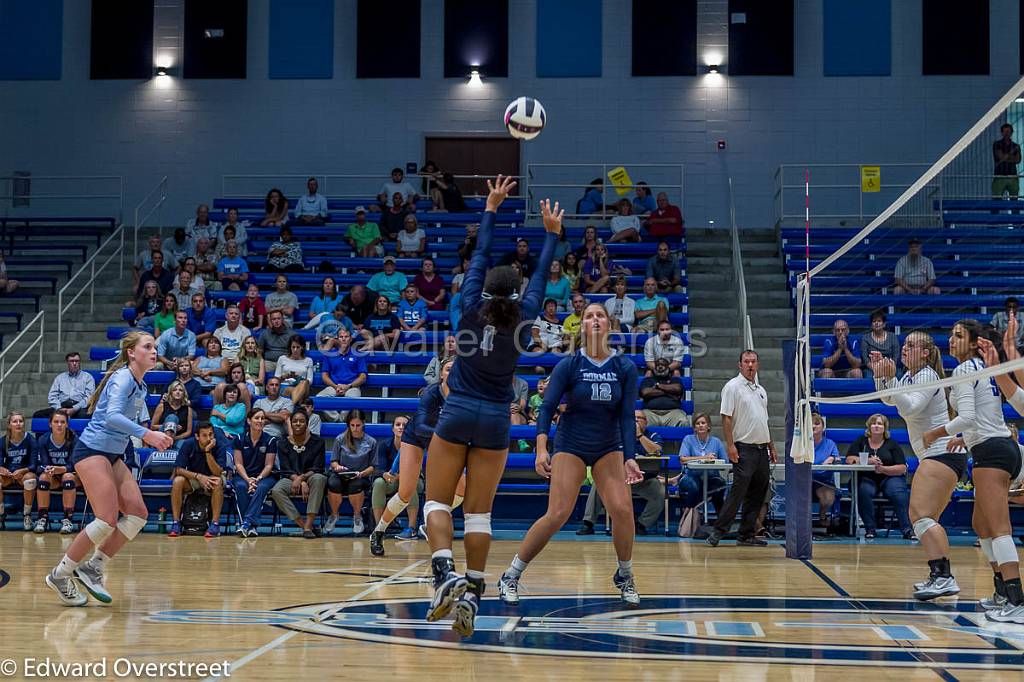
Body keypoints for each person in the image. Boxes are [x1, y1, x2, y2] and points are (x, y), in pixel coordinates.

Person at [423, 180, 559, 638]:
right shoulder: (524, 320)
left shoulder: (466, 308)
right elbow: (539, 279)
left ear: (484, 290)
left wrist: (491, 210)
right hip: (497, 419)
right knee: (478, 515)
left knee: (437, 503)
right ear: (517, 292)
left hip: (458, 408)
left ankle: (444, 575)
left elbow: (477, 258)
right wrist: (552, 234)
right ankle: (475, 595)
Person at [498, 302, 641, 608]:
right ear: (582, 326)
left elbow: (628, 416)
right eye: (589, 316)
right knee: (558, 513)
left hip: (608, 445)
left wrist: (630, 456)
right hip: (571, 443)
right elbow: (546, 408)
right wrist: (540, 447)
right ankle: (511, 574)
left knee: (623, 510)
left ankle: (625, 574)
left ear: (610, 324)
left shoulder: (625, 368)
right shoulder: (570, 364)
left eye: (600, 315)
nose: (595, 319)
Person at [45, 332, 174, 607]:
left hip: (113, 454)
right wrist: (148, 435)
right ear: (131, 352)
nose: (154, 352)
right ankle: (61, 573)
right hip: (91, 451)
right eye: (148, 347)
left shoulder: (140, 386)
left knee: (138, 515)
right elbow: (112, 417)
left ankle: (93, 567)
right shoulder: (123, 378)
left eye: (156, 348)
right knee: (106, 519)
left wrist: (155, 432)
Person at [925, 320, 1024, 622]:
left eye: (957, 336)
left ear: (973, 343)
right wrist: (962, 438)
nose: (950, 340)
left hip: (993, 451)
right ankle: (1001, 592)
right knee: (981, 525)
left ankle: (1017, 600)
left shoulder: (965, 370)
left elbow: (968, 418)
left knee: (999, 528)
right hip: (994, 446)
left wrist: (936, 433)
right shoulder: (982, 369)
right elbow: (981, 416)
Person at [870, 331, 966, 598]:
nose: (904, 349)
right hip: (939, 455)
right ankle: (941, 575)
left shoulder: (926, 375)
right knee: (927, 518)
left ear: (925, 353)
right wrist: (882, 375)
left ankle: (944, 576)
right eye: (905, 345)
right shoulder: (910, 377)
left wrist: (890, 380)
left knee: (919, 515)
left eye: (911, 346)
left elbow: (909, 408)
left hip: (940, 453)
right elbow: (889, 399)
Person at [370, 359, 465, 555]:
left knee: (462, 488)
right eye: (448, 369)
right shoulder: (432, 393)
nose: (452, 372)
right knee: (405, 493)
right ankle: (378, 531)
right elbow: (421, 425)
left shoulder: (463, 396)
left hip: (441, 442)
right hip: (416, 438)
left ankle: (430, 522)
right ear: (441, 375)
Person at [706, 350, 777, 547]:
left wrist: (772, 446)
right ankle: (718, 531)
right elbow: (726, 417)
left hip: (762, 449)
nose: (750, 365)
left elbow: (765, 421)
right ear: (740, 365)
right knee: (738, 491)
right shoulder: (732, 387)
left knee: (758, 492)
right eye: (746, 361)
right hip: (743, 448)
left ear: (758, 364)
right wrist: (730, 445)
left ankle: (746, 534)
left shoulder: (761, 390)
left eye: (753, 361)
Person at [576, 409, 663, 537]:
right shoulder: (619, 435)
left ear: (646, 422)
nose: (636, 421)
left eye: (640, 418)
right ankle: (588, 523)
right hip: (618, 478)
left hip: (643, 479)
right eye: (634, 418)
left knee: (660, 491)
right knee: (598, 485)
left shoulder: (653, 435)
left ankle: (641, 525)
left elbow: (657, 451)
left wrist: (639, 435)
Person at [270, 410, 327, 538]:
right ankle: (305, 526)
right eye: (295, 421)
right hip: (291, 478)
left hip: (311, 476)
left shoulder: (318, 442)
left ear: (307, 424)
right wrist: (298, 480)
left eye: (301, 421)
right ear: (290, 423)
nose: (298, 424)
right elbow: (285, 469)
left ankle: (309, 524)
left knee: (319, 479)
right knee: (276, 490)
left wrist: (302, 479)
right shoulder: (283, 443)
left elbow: (318, 467)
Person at [167, 422, 226, 538]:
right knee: (178, 481)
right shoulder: (188, 444)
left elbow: (218, 472)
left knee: (218, 482)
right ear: (197, 436)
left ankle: (215, 524)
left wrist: (208, 452)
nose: (209, 438)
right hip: (194, 477)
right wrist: (199, 477)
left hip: (213, 477)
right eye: (204, 435)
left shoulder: (219, 445)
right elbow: (178, 469)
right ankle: (176, 523)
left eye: (211, 434)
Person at [370, 416, 423, 539]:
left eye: (404, 425)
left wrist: (400, 476)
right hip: (392, 480)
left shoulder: (416, 445)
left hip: (413, 478)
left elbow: (417, 469)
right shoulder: (384, 445)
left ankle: (411, 528)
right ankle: (379, 529)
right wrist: (385, 475)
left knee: (411, 484)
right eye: (398, 424)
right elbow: (380, 469)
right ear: (393, 429)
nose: (401, 427)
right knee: (378, 483)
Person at [667, 412, 727, 519]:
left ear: (708, 426)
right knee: (695, 486)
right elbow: (682, 459)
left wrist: (715, 461)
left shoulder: (716, 442)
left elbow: (725, 462)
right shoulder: (688, 439)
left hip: (711, 477)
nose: (700, 425)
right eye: (697, 423)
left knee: (720, 484)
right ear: (694, 427)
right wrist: (704, 458)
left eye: (703, 423)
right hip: (690, 476)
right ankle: (690, 519)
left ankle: (721, 521)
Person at [325, 410, 376, 535]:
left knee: (355, 486)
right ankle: (334, 514)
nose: (355, 428)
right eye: (352, 425)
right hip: (341, 475)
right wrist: (338, 467)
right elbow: (333, 461)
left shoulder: (371, 442)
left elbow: (373, 466)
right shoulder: (340, 439)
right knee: (332, 483)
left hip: (360, 476)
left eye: (358, 425)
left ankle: (357, 517)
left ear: (363, 424)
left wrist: (363, 473)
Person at [231, 407, 278, 537]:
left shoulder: (270, 440)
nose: (260, 420)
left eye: (262, 418)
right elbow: (238, 463)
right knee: (240, 486)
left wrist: (257, 479)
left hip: (264, 476)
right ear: (249, 421)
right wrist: (248, 480)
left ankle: (245, 523)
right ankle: (251, 526)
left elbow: (269, 465)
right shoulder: (239, 439)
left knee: (261, 487)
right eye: (257, 418)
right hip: (243, 476)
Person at [34, 411, 79, 534]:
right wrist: (47, 469)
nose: (59, 425)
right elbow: (39, 466)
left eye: (62, 422)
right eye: (56, 422)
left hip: (71, 475)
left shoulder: (74, 439)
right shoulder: (43, 440)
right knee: (43, 477)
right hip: (52, 477)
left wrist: (61, 469)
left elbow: (75, 465)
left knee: (68, 477)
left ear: (67, 425)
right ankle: (42, 518)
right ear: (50, 424)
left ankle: (68, 519)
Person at [317, 329, 367, 421]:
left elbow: (363, 377)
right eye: (341, 337)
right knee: (319, 398)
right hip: (334, 386)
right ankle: (337, 420)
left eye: (346, 337)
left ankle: (342, 420)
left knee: (354, 398)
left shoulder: (358, 354)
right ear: (337, 339)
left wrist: (348, 386)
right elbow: (324, 376)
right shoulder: (329, 354)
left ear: (351, 339)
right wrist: (335, 386)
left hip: (352, 387)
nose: (343, 339)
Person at [1, 412, 37, 531]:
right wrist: (2, 469)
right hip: (9, 475)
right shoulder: (3, 441)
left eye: (20, 421)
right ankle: (1, 513)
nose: (18, 424)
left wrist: (22, 470)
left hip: (24, 474)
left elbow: (34, 465)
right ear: (9, 424)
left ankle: (26, 515)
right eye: (15, 421)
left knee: (30, 479)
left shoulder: (30, 440)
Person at [34, 352, 95, 419]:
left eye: (77, 361)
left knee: (86, 415)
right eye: (72, 361)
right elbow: (52, 396)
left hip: (79, 407)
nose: (74, 363)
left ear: (80, 362)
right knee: (38, 415)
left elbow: (89, 397)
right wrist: (59, 408)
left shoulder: (88, 377)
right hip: (61, 406)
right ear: (67, 363)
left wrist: (74, 409)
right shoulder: (60, 378)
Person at [809, 414, 841, 531]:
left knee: (828, 498)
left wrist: (832, 458)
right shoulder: (802, 443)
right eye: (810, 424)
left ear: (823, 427)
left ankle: (822, 514)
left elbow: (837, 459)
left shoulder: (830, 444)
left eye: (817, 424)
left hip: (824, 480)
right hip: (805, 479)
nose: (813, 426)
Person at [640, 358, 688, 426]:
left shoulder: (675, 380)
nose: (660, 366)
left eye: (663, 365)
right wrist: (670, 392)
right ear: (654, 368)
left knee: (683, 421)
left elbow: (678, 389)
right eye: (658, 365)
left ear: (668, 367)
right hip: (650, 413)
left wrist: (657, 386)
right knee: (640, 422)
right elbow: (645, 393)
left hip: (673, 413)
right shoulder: (648, 380)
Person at [859, 310, 900, 378]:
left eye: (879, 321)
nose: (876, 323)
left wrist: (887, 368)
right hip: (872, 368)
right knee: (869, 377)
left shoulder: (893, 336)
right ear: (871, 325)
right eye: (874, 321)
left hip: (890, 367)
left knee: (899, 374)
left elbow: (896, 356)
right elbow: (865, 359)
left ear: (884, 324)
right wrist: (876, 368)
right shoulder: (865, 338)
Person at [275, 334, 313, 407]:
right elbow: (276, 378)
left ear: (302, 347)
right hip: (285, 386)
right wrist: (284, 377)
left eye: (298, 347)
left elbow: (310, 380)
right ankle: (294, 406)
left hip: (303, 386)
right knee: (293, 390)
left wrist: (298, 378)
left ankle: (290, 407)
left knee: (304, 383)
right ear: (290, 347)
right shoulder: (282, 359)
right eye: (293, 347)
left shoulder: (308, 360)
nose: (295, 350)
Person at [993, 122, 1021, 201]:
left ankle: (1015, 214)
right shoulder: (997, 144)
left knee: (1014, 201)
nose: (1006, 133)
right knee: (996, 201)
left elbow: (1018, 160)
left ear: (1011, 132)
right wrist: (1012, 156)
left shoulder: (1016, 145)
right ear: (1002, 133)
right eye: (1005, 131)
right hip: (999, 176)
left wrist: (1005, 157)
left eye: (1008, 131)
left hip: (1012, 177)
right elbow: (1000, 157)